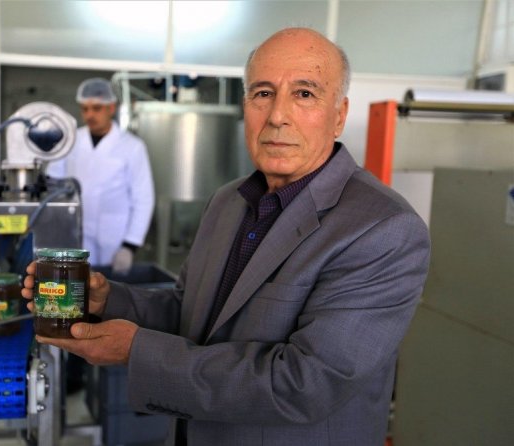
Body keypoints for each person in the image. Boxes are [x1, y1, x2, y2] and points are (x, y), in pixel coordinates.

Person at [22, 28, 431, 446]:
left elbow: (305, 383)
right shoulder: (228, 202)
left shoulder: (383, 229)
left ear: (339, 115)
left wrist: (136, 351)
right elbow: (189, 313)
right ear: (245, 106)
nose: (277, 116)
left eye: (304, 94)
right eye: (263, 93)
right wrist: (109, 300)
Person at [45, 77, 155, 275]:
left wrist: (130, 245)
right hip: (75, 231)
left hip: (114, 236)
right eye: (85, 109)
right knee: (76, 283)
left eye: (96, 108)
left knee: (109, 288)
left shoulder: (132, 146)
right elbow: (51, 182)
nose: (89, 115)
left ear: (111, 108)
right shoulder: (71, 140)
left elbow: (143, 198)